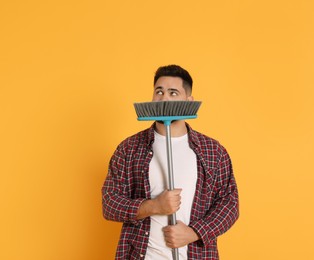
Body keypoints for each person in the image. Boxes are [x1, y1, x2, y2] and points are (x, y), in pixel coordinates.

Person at [102, 65, 239, 260]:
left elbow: (230, 204)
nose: (164, 98)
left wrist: (194, 233)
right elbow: (109, 203)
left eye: (173, 93)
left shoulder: (213, 151)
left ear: (188, 101)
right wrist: (154, 206)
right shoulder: (129, 148)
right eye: (159, 91)